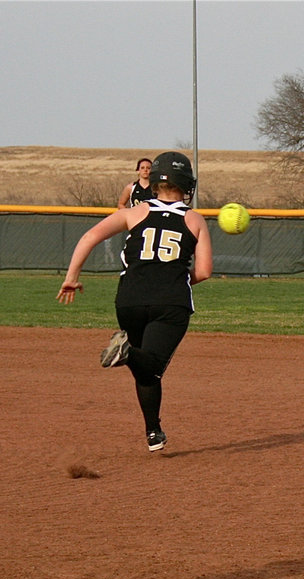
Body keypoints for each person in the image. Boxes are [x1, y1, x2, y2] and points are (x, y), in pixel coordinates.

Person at [58, 151, 212, 452]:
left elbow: (90, 236)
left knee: (146, 370)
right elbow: (205, 271)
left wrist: (71, 276)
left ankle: (153, 432)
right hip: (170, 301)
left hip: (129, 299)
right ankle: (125, 353)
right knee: (150, 363)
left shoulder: (134, 212)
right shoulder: (194, 219)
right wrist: (177, 278)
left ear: (153, 180)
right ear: (187, 184)